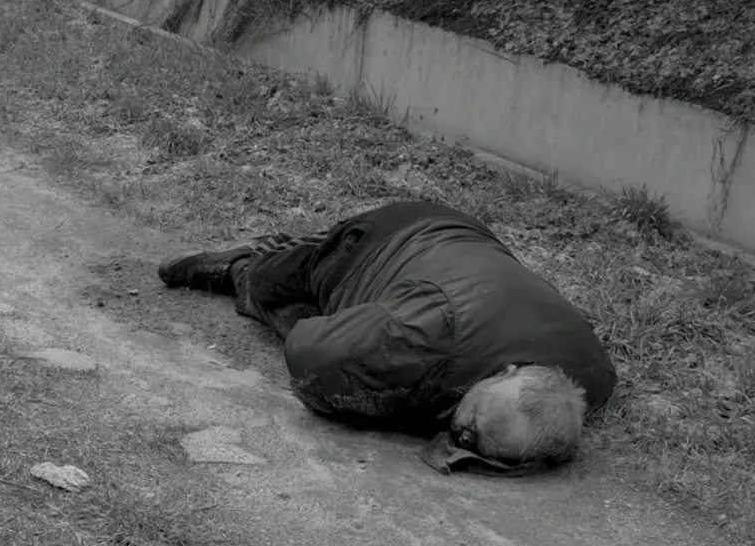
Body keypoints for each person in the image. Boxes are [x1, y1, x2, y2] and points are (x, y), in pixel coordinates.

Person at [159, 199, 616, 473]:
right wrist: (406, 406)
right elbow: (308, 352)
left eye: (467, 434)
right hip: (377, 241)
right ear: (509, 371)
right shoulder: (427, 333)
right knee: (275, 292)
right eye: (470, 414)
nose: (461, 428)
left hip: (467, 240)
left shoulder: (592, 377)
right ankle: (248, 261)